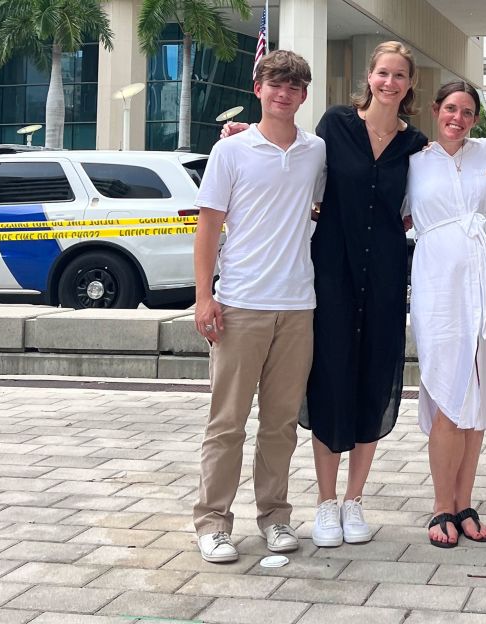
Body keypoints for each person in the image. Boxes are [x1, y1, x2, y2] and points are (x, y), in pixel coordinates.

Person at [222, 41, 428, 548]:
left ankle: (355, 500)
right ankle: (326, 503)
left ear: (408, 84)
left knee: (372, 380)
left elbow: (434, 183)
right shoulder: (336, 126)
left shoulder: (416, 143)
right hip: (329, 274)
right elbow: (293, 150)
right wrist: (246, 131)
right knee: (330, 380)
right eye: (383, 73)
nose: (389, 82)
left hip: (382, 273)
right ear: (370, 76)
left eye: (399, 75)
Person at [191, 50, 325, 563]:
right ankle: (212, 523)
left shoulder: (316, 152)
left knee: (281, 423)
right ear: (259, 89)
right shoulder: (232, 152)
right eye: (275, 84)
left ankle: (275, 516)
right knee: (227, 423)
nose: (284, 94)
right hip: (240, 303)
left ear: (304, 94)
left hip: (298, 305)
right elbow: (208, 227)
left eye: (294, 86)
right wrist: (205, 296)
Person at [406, 80, 486, 548]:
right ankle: (441, 506)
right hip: (440, 289)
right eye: (450, 108)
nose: (458, 117)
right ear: (436, 111)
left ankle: (465, 502)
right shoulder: (414, 164)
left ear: (476, 117)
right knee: (446, 390)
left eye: (468, 111)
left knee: (478, 388)